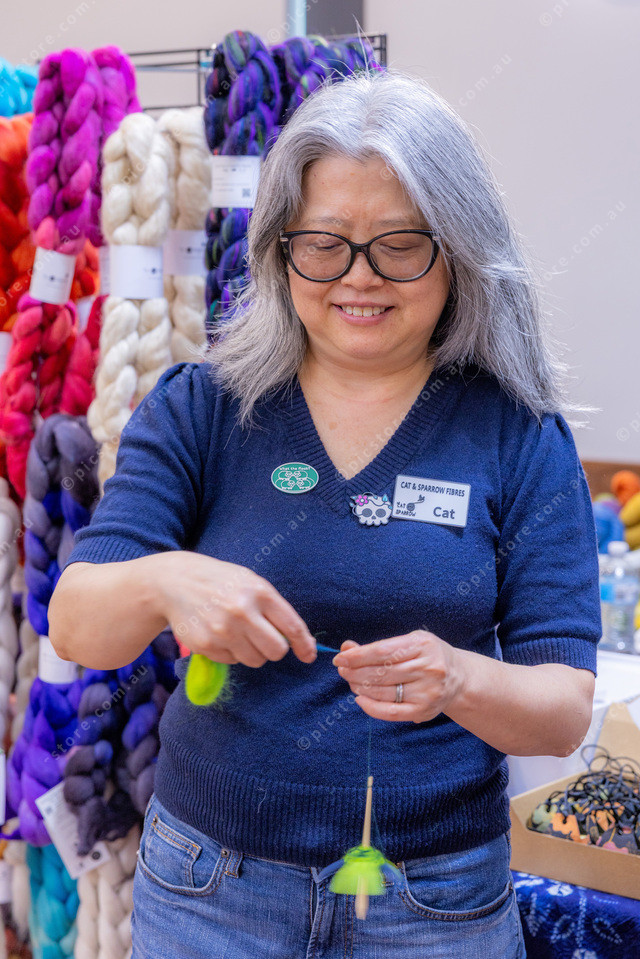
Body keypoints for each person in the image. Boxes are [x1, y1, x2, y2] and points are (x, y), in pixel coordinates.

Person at [49, 69, 601, 959]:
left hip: (434, 905)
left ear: (458, 252)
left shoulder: (517, 437)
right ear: (280, 249)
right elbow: (78, 623)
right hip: (209, 896)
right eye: (325, 244)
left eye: (399, 245)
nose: (359, 277)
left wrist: (458, 679)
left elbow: (563, 708)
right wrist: (167, 579)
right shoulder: (203, 409)